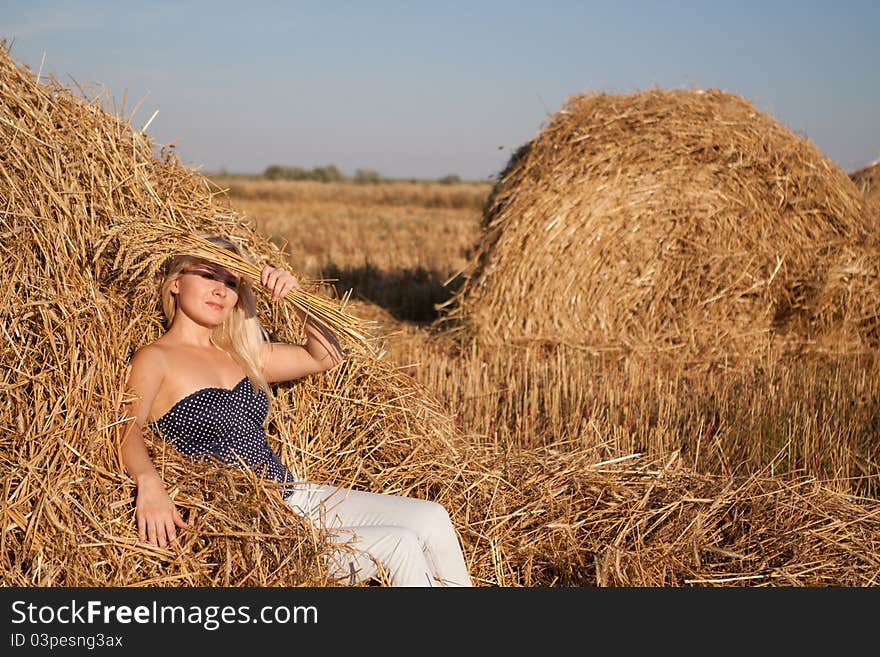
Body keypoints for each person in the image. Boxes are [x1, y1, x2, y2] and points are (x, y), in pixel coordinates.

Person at [120, 235, 473, 587]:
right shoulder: (156, 358)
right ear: (176, 283)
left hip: (296, 495)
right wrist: (149, 483)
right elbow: (126, 426)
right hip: (258, 522)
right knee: (399, 544)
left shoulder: (243, 354)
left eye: (231, 283)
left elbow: (324, 357)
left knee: (431, 517)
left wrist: (298, 299)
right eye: (208, 276)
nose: (221, 290)